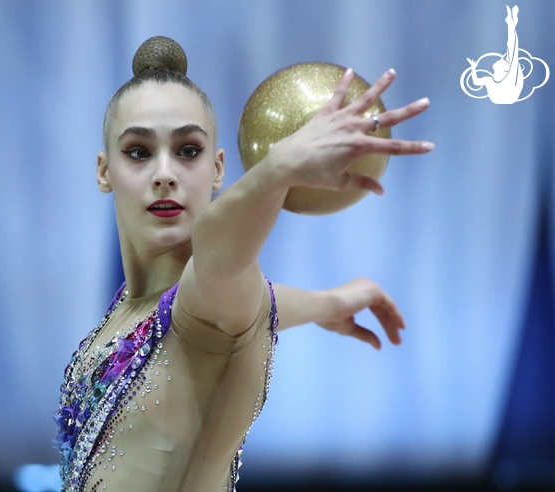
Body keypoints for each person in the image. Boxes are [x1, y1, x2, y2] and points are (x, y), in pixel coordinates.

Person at [55, 37, 433, 492]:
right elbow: (264, 301)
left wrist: (276, 170)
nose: (164, 173)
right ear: (103, 171)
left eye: (188, 150)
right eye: (138, 151)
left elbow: (219, 258)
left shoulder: (208, 296)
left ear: (218, 169)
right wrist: (329, 302)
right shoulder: (142, 309)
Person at [467, 5, 523, 104]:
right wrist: (473, 67)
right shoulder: (489, 80)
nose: (500, 59)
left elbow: (512, 48)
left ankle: (511, 23)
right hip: (499, 98)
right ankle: (510, 23)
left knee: (512, 50)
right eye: (502, 60)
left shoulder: (510, 77)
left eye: (503, 61)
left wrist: (511, 26)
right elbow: (476, 82)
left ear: (505, 69)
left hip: (509, 97)